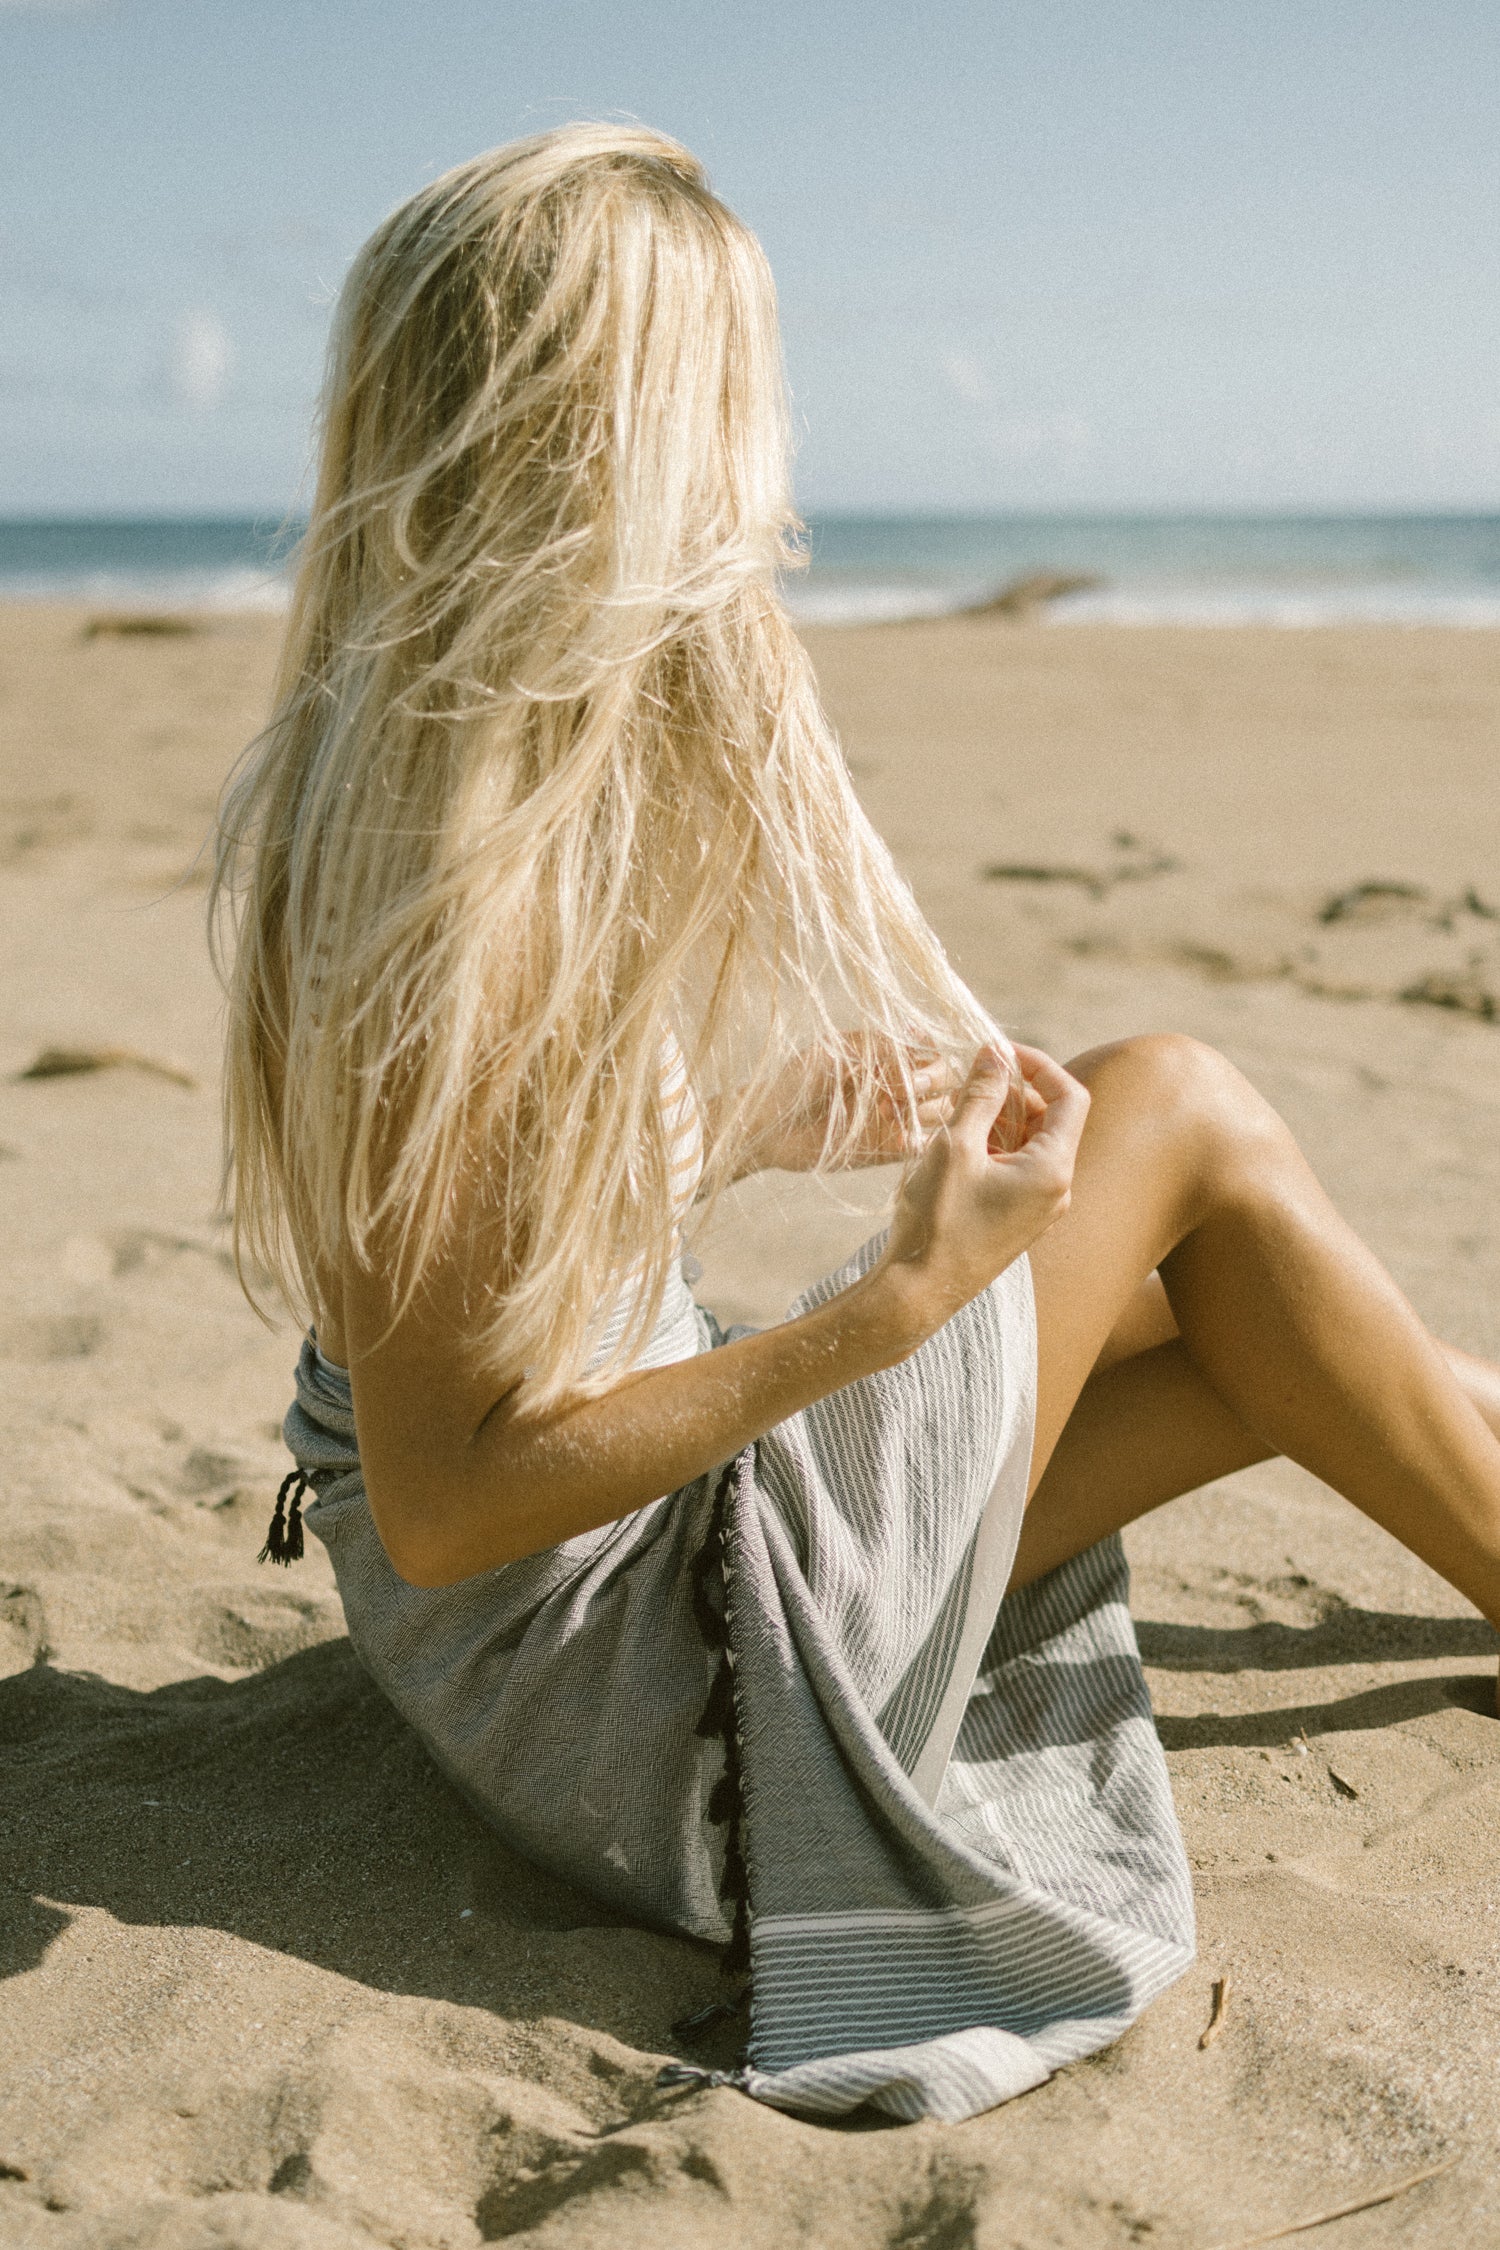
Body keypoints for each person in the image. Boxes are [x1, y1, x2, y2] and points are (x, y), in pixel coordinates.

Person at [211, 125, 1500, 2124]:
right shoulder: (463, 920)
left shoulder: (417, 789)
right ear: (610, 449)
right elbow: (458, 1497)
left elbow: (490, 1234)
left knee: (1275, 1330)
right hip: (644, 1697)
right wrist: (881, 1316)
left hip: (590, 1639)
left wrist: (748, 1118)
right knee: (1177, 1110)